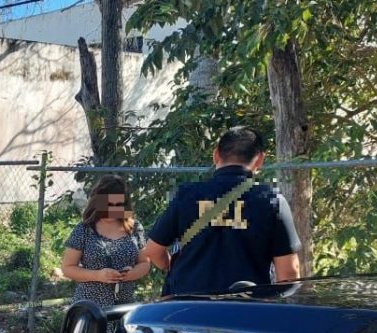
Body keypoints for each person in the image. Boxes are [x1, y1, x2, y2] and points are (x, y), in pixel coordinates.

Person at [141, 127, 301, 295]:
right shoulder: (271, 201)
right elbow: (289, 273)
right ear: (260, 160)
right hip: (247, 310)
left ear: (216, 155)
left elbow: (153, 250)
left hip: (187, 308)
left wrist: (171, 267)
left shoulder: (186, 195)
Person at [60, 174, 150, 309]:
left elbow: (145, 263)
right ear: (97, 202)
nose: (112, 210)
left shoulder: (135, 228)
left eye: (118, 205)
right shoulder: (84, 229)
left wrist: (131, 274)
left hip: (124, 307)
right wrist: (97, 275)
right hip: (91, 308)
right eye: (108, 204)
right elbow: (67, 268)